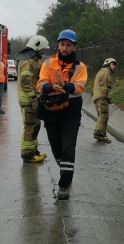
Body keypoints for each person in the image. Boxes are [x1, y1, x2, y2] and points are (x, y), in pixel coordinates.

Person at [36, 29, 87, 200]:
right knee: (56, 147)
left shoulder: (80, 67)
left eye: (69, 45)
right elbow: (41, 84)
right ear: (58, 45)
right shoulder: (48, 64)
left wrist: (64, 85)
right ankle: (65, 167)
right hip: (51, 110)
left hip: (71, 112)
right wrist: (51, 87)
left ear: (74, 47)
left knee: (68, 147)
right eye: (63, 45)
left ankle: (64, 184)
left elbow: (79, 88)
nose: (65, 48)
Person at [17, 35, 50, 163]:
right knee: (30, 126)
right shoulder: (28, 62)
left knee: (35, 126)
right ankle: (27, 154)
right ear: (37, 48)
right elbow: (26, 83)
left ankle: (33, 151)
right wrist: (33, 99)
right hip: (29, 102)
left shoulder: (32, 61)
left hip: (31, 100)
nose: (44, 51)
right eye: (43, 49)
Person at [93, 58, 117, 143]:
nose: (114, 66)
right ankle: (99, 133)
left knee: (102, 115)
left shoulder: (103, 71)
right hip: (101, 96)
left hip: (97, 96)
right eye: (112, 64)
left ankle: (102, 134)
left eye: (114, 65)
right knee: (104, 114)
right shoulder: (105, 70)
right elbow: (102, 80)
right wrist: (103, 92)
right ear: (107, 64)